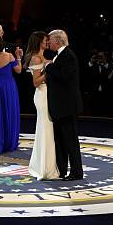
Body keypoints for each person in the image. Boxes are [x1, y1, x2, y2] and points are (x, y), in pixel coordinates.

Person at [42, 30, 83, 181]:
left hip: (67, 107)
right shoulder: (59, 56)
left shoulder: (68, 56)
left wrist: (48, 67)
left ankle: (77, 172)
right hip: (60, 107)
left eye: (50, 41)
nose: (48, 43)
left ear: (58, 41)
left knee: (70, 140)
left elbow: (64, 77)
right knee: (61, 141)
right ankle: (62, 170)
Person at [25, 31, 60, 180]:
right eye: (45, 40)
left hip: (48, 94)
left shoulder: (43, 57)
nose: (47, 42)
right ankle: (43, 168)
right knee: (45, 130)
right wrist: (49, 70)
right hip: (42, 95)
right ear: (39, 41)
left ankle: (47, 165)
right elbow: (35, 82)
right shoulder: (35, 58)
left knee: (47, 130)